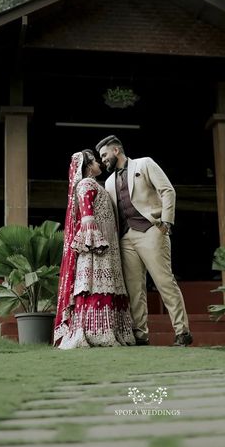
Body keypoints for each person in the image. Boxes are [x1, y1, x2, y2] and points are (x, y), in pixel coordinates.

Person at [95, 135, 193, 347]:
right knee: (134, 289)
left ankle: (182, 332)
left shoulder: (144, 163)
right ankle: (141, 335)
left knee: (164, 282)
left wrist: (166, 222)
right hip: (125, 238)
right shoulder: (109, 181)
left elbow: (167, 191)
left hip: (151, 230)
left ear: (116, 151)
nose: (102, 160)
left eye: (104, 155)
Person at [54, 149, 135, 349]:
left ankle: (109, 331)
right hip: (97, 248)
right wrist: (95, 242)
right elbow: (88, 217)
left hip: (107, 243)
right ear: (88, 166)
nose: (100, 163)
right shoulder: (86, 184)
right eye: (96, 161)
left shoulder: (96, 185)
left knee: (108, 285)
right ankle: (95, 332)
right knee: (95, 285)